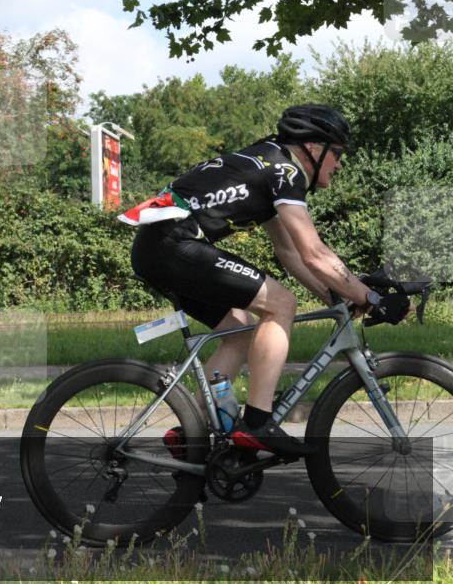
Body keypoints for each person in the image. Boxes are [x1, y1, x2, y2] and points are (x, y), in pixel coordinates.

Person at [119, 104, 409, 457]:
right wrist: (371, 298)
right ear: (313, 148)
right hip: (174, 246)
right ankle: (257, 421)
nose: (339, 164)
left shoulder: (268, 161)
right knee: (281, 303)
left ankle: (194, 432)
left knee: (240, 332)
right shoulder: (286, 172)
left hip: (159, 248)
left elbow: (290, 254)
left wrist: (338, 297)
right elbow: (314, 253)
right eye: (337, 153)